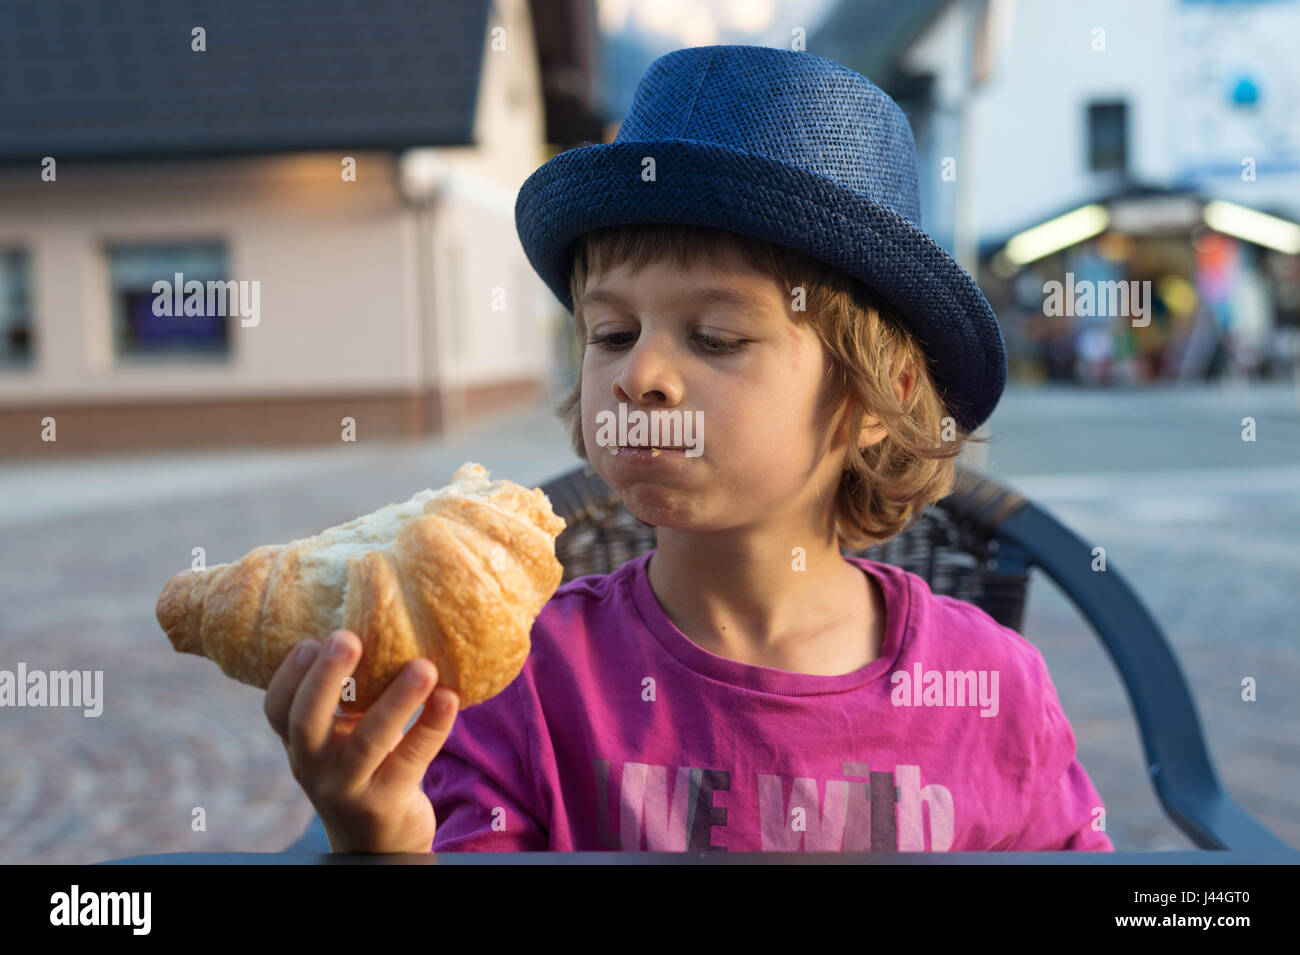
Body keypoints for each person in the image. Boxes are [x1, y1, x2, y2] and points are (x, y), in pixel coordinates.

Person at [266, 45, 1113, 853]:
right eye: (611, 331)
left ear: (875, 400)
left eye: (714, 336)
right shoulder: (524, 678)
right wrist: (378, 842)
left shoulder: (993, 682)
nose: (640, 373)